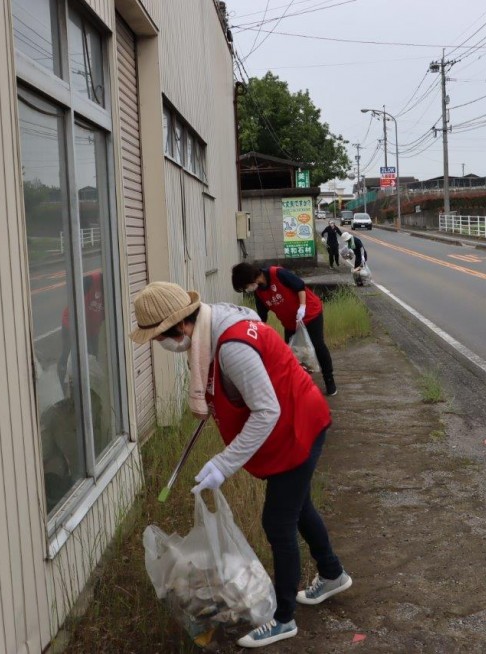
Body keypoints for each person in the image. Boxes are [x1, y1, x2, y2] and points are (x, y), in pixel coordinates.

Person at [131, 282, 352, 648]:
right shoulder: (212, 323)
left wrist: (223, 464)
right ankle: (331, 574)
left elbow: (267, 410)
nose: (160, 345)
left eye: (158, 338)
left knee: (277, 521)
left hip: (298, 427)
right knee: (298, 508)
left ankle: (283, 619)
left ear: (181, 327)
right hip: (294, 424)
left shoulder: (231, 346)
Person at [231, 263, 337, 397]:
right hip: (290, 323)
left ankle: (329, 381)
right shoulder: (259, 292)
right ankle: (301, 385)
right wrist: (254, 332)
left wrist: (302, 307)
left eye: (245, 286)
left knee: (317, 345)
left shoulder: (277, 273)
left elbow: (299, 286)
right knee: (292, 354)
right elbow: (262, 316)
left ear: (250, 278)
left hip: (310, 314)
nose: (247, 290)